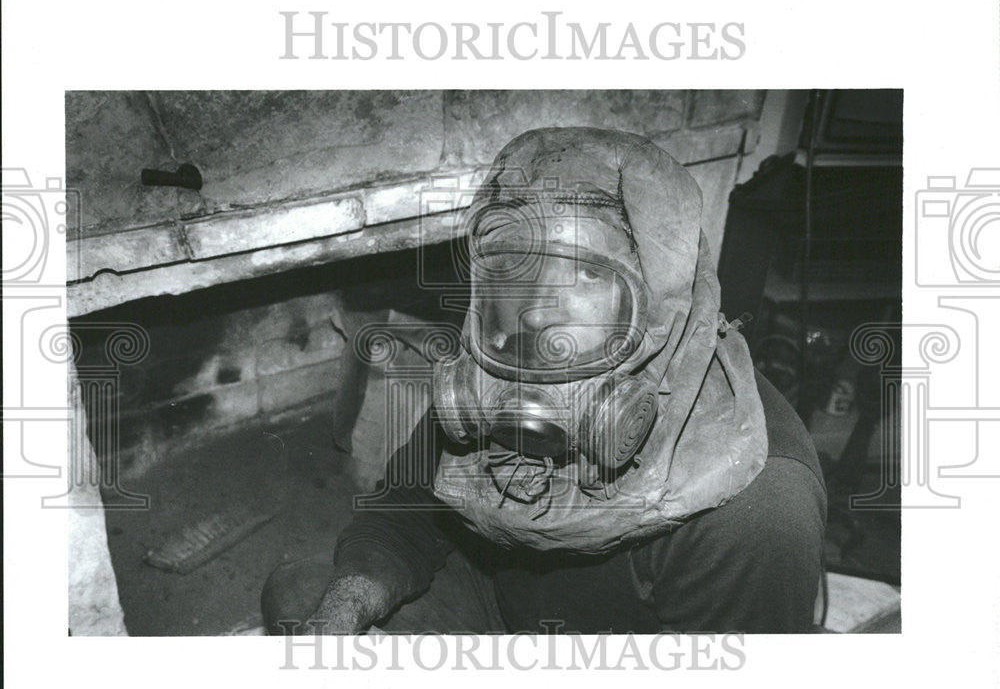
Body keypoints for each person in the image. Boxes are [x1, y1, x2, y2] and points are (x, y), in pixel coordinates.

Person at [261, 127, 827, 635]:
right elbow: (404, 510)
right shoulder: (496, 374)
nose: (534, 314)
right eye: (516, 270)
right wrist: (351, 599)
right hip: (500, 600)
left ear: (658, 301)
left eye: (583, 273)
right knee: (299, 596)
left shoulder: (759, 509)